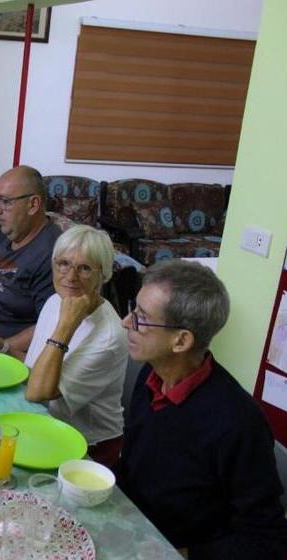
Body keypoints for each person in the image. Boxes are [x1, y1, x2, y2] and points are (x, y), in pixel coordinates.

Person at [117, 260, 287, 558]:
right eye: (134, 308)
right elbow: (137, 468)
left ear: (181, 341)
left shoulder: (237, 422)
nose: (125, 322)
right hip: (133, 530)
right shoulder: (151, 374)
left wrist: (184, 552)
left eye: (141, 317)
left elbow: (265, 540)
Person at [18, 225, 128, 467]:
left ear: (104, 274)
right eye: (63, 263)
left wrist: (65, 326)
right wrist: (4, 348)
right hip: (46, 424)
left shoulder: (109, 336)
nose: (70, 276)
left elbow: (39, 393)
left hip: (89, 448)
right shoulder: (56, 300)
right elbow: (35, 372)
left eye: (85, 268)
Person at [0, 166, 62, 355]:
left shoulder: (54, 255)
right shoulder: (5, 235)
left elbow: (50, 325)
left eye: (5, 202)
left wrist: (1, 346)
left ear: (33, 204)